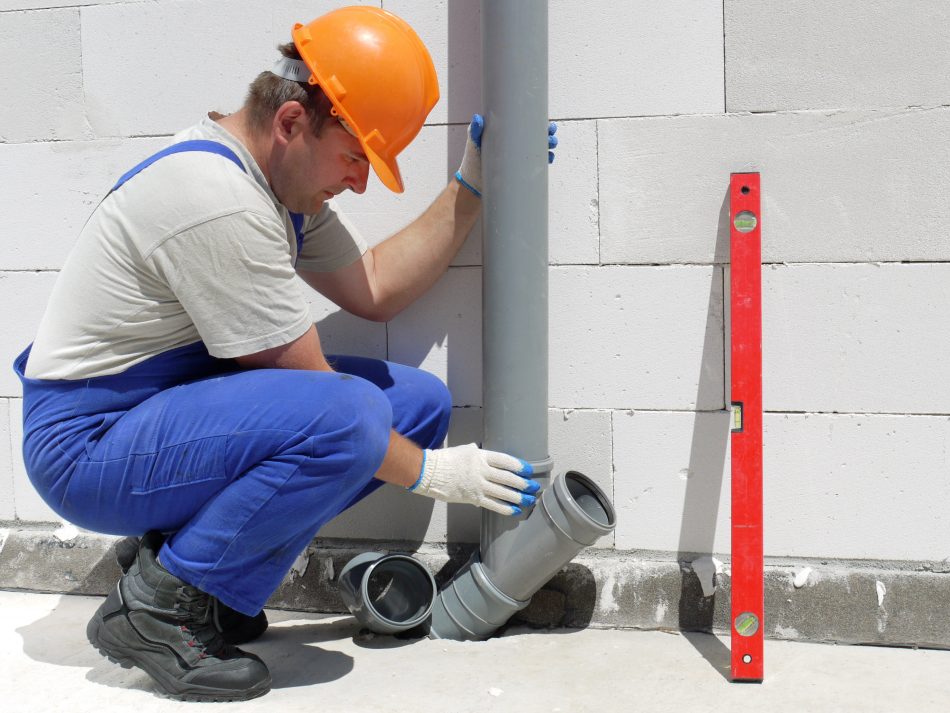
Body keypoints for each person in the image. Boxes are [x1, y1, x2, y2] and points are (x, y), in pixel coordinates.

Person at [14, 6, 556, 702]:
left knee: (415, 405)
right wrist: (435, 474)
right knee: (356, 415)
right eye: (356, 156)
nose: (360, 183)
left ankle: (190, 570)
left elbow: (375, 287)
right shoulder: (220, 201)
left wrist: (473, 187)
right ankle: (158, 605)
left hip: (149, 416)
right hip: (86, 446)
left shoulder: (276, 188)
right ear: (293, 122)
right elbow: (329, 405)